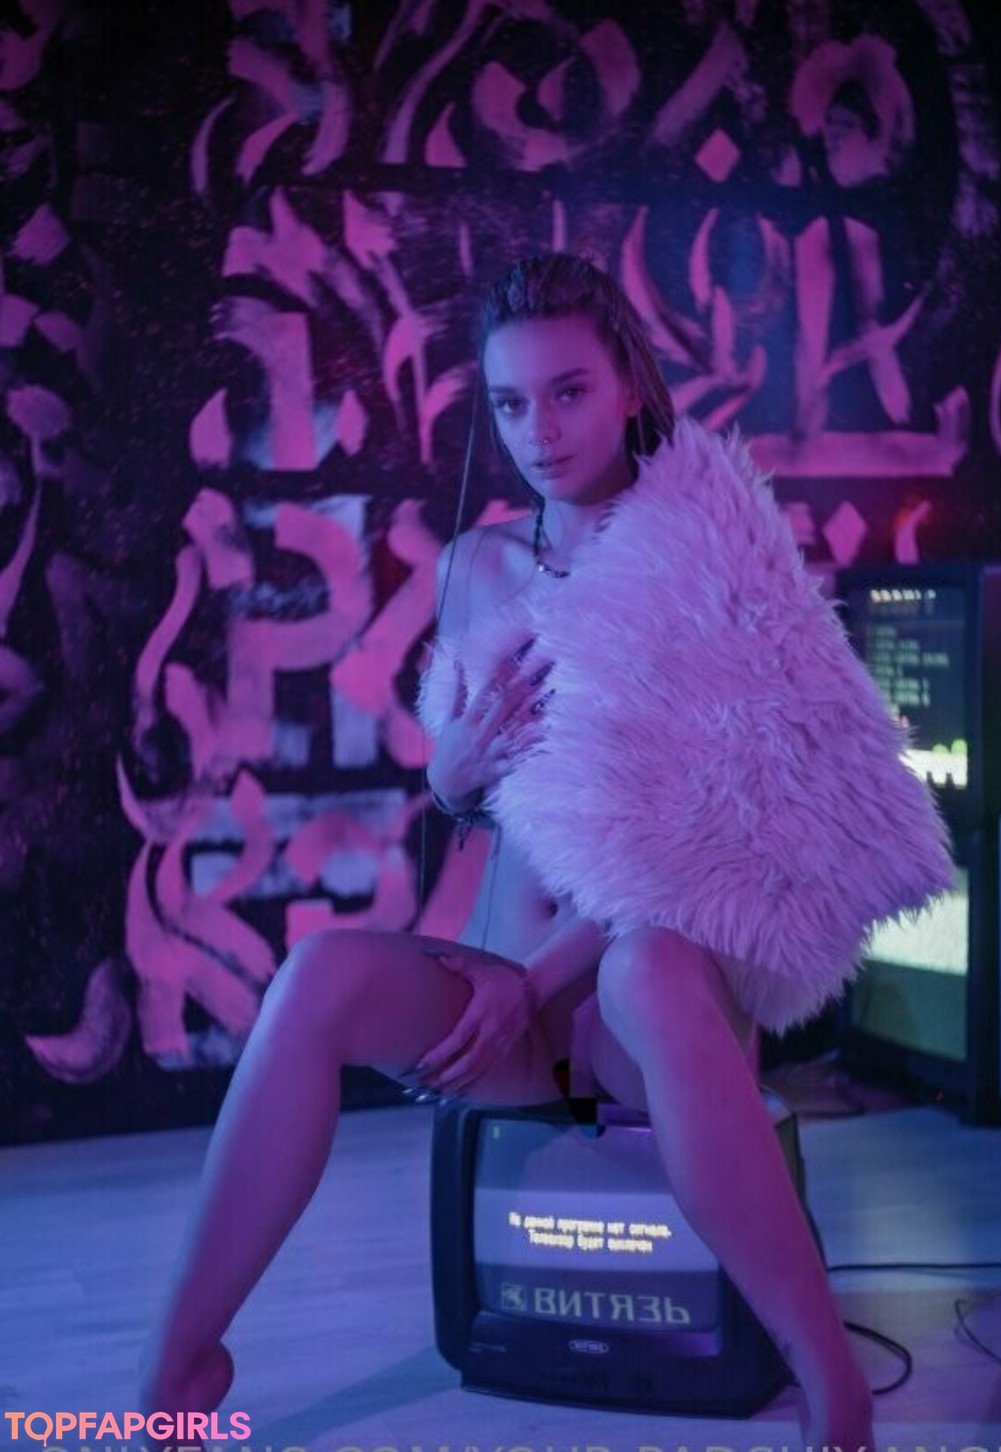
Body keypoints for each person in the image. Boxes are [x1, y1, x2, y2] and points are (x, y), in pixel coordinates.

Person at [140, 253, 877, 1450]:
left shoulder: (712, 556)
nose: (541, 431)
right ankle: (177, 1364)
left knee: (647, 964)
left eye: (569, 392)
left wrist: (534, 982)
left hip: (636, 1012)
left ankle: (828, 1380)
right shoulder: (478, 563)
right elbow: (475, 804)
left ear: (629, 383)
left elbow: (721, 832)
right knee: (316, 976)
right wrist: (451, 773)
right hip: (510, 1001)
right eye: (513, 403)